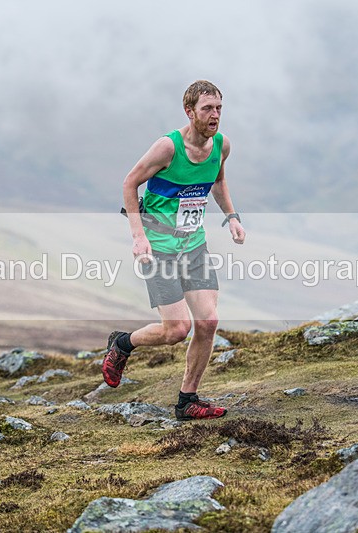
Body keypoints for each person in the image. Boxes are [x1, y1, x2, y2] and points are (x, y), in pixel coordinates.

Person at [102, 80, 246, 421]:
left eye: (219, 109)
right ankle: (123, 344)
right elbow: (129, 183)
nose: (215, 116)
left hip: (193, 244)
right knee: (176, 330)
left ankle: (187, 401)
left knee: (208, 322)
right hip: (160, 247)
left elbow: (218, 181)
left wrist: (232, 217)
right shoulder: (168, 148)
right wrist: (138, 237)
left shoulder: (221, 146)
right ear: (189, 112)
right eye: (207, 109)